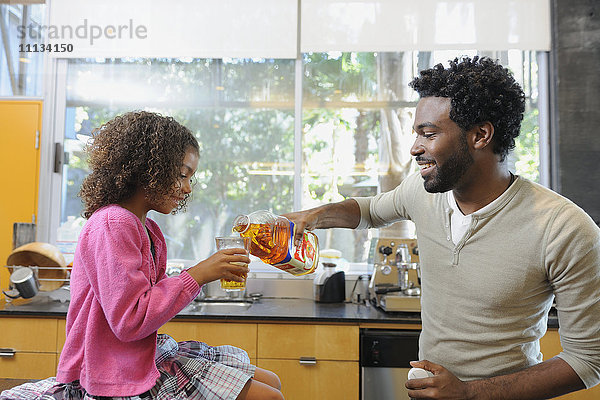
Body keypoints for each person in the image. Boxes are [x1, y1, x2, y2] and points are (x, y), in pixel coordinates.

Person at [284, 56, 600, 399]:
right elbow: (369, 210)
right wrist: (312, 217)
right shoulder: (421, 191)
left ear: (481, 135)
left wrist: (468, 393)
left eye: (429, 134)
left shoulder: (564, 227)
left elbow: (588, 360)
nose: (415, 148)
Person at [0, 111, 284, 400]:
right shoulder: (113, 223)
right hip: (108, 371)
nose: (187, 188)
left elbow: (149, 309)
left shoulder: (149, 230)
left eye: (190, 178)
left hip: (136, 355)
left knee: (271, 382)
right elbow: (131, 320)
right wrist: (198, 275)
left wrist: (204, 273)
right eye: (182, 175)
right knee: (270, 396)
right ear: (150, 168)